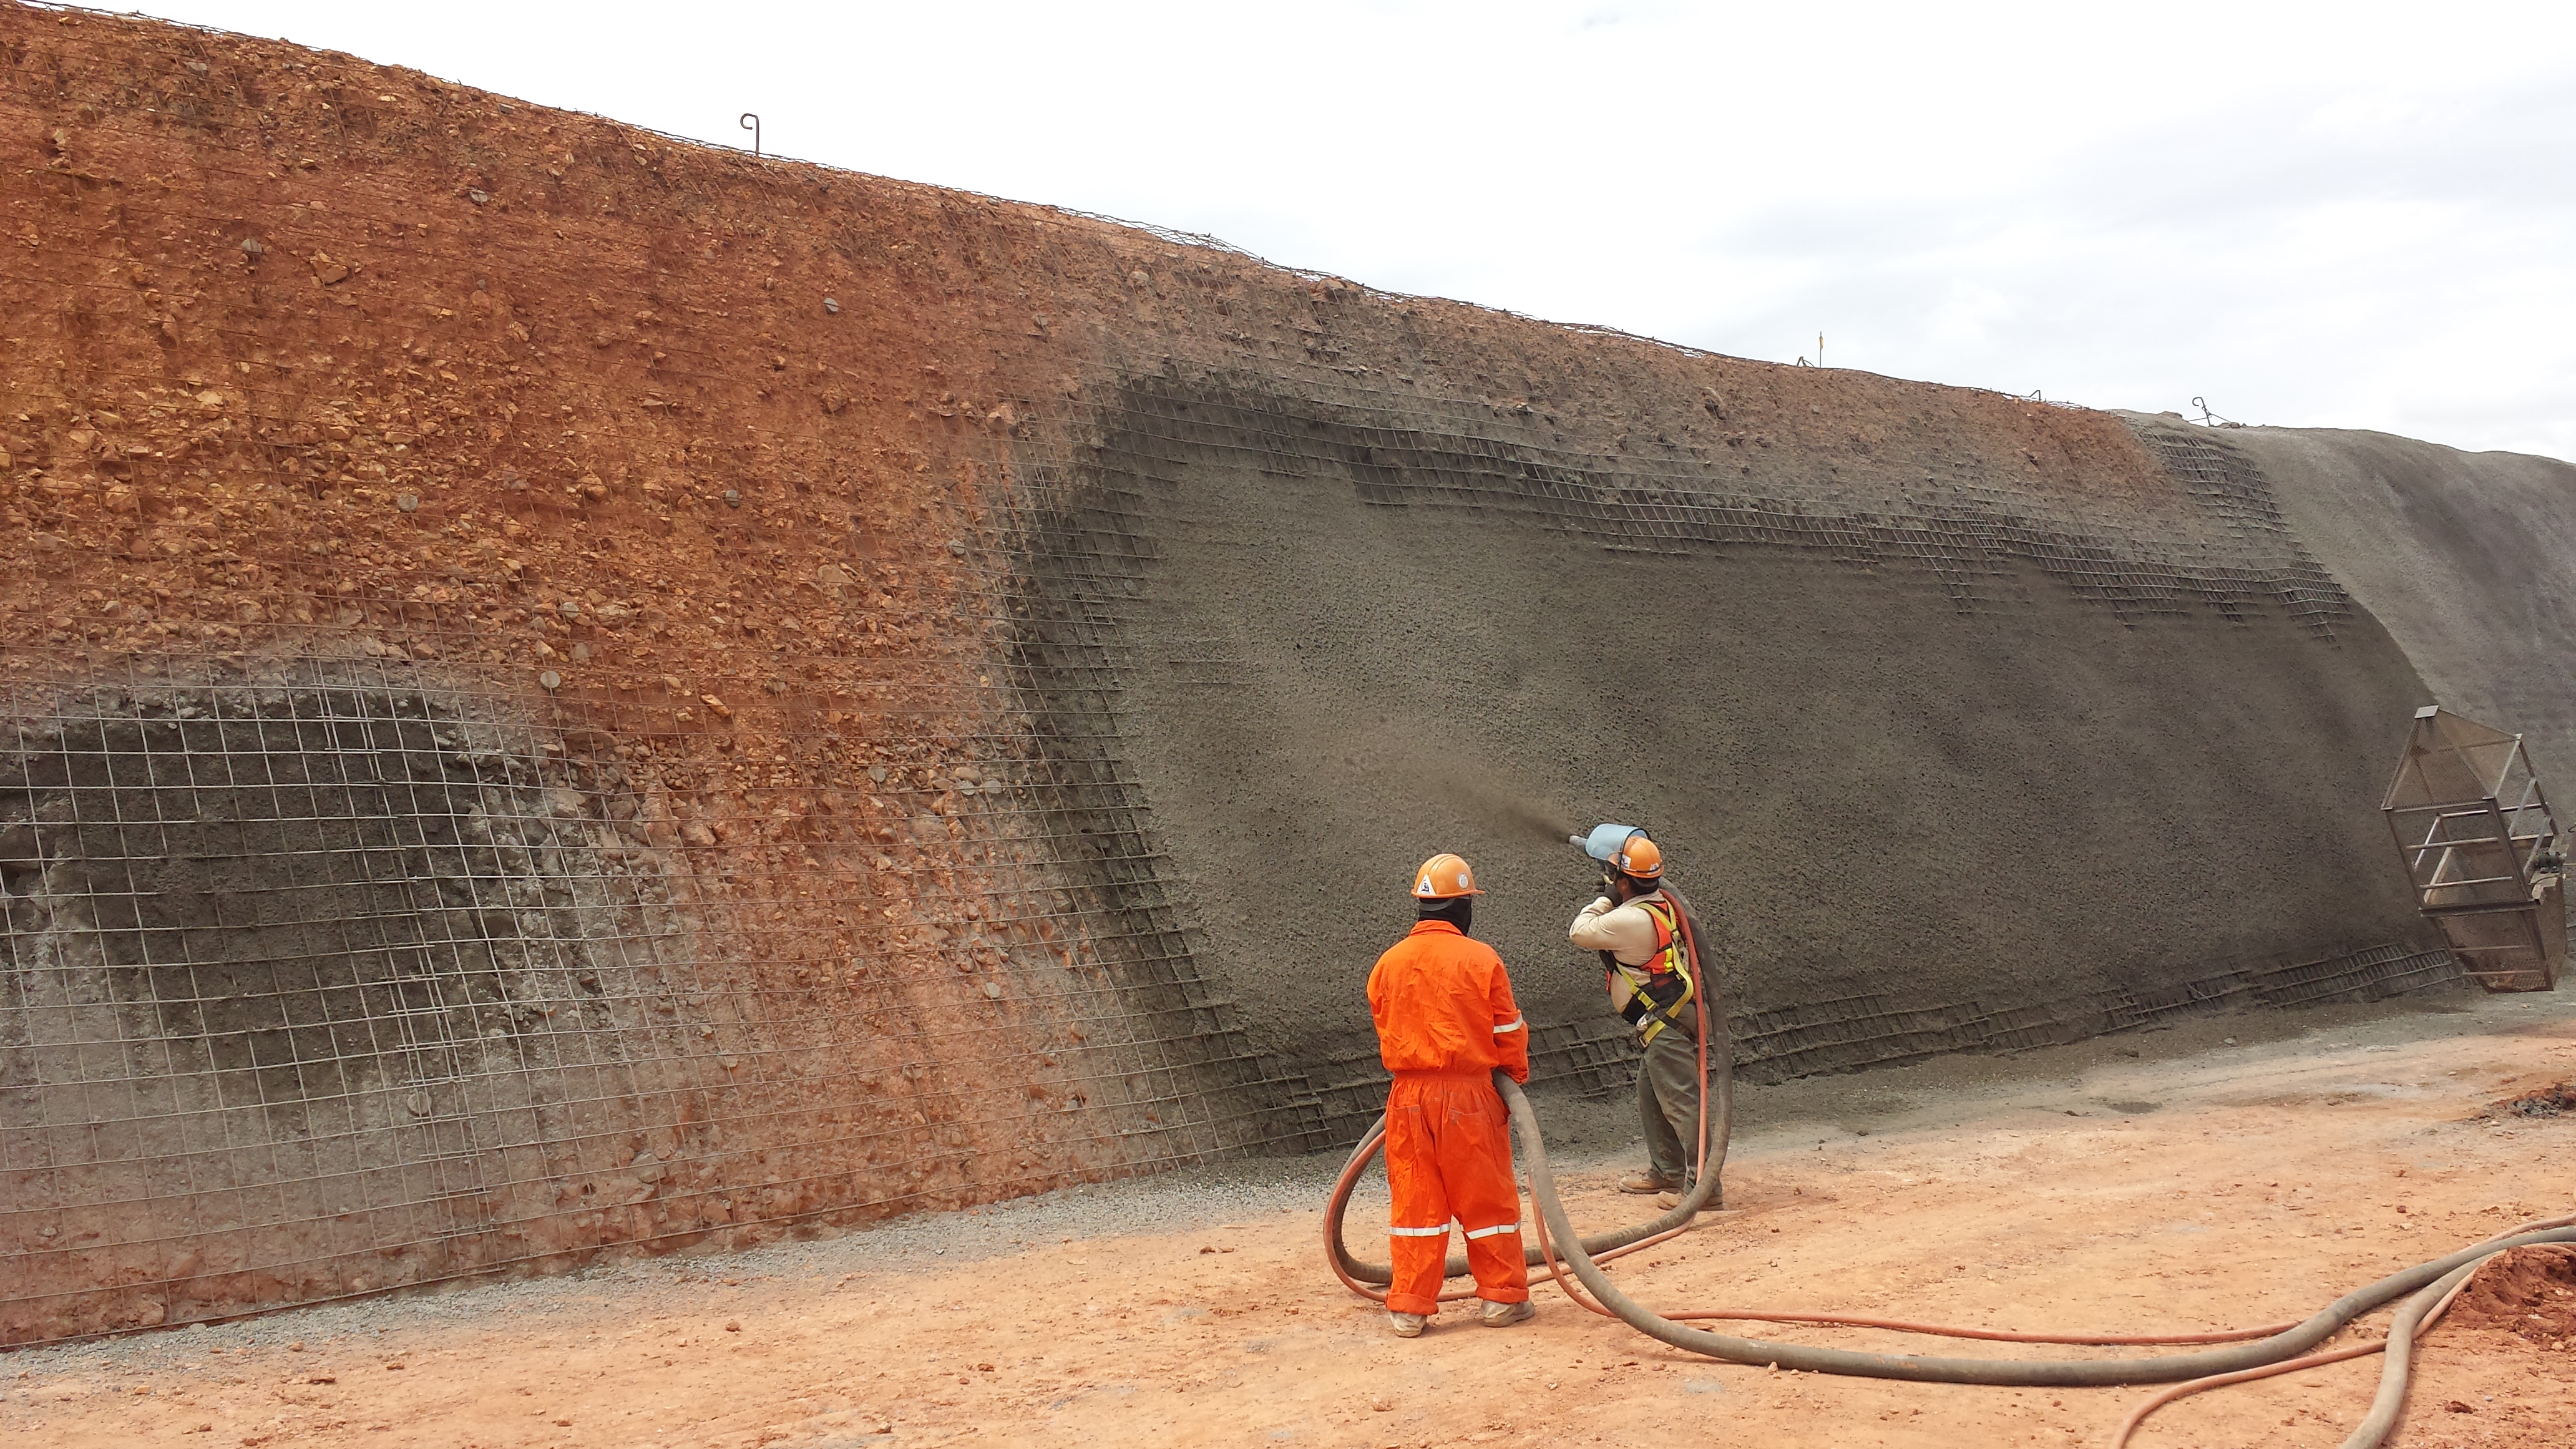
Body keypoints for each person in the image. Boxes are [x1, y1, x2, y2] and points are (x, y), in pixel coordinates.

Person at [1365, 851, 1536, 1338]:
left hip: (1406, 1098)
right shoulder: (1481, 959)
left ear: (1420, 908)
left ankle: (1410, 1308)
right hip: (1469, 1095)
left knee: (1416, 1203)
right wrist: (1512, 1082)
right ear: (1463, 906)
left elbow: (1384, 1022)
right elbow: (1508, 1028)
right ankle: (1501, 1300)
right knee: (1486, 1201)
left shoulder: (1388, 963)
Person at [1567, 831, 1710, 1205]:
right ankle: (1667, 1173)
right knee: (1651, 1095)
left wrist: (1606, 897)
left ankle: (1704, 1189)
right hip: (1670, 1018)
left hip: (1668, 1024)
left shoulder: (1629, 918)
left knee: (1682, 1104)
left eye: (1614, 876)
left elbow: (1579, 932)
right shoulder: (1661, 903)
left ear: (1625, 882)